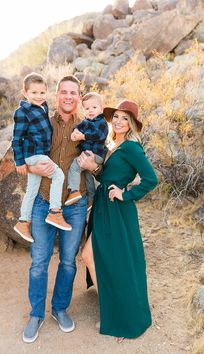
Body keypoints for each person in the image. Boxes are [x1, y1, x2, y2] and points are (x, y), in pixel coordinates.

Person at [22, 75, 95, 343]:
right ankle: (36, 313)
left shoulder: (90, 126)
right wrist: (29, 166)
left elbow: (100, 161)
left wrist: (95, 167)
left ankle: (60, 309)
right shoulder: (42, 122)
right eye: (63, 91)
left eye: (73, 92)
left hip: (74, 206)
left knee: (67, 261)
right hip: (43, 202)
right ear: (56, 95)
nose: (68, 96)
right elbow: (23, 153)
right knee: (39, 262)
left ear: (79, 96)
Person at [79, 99, 158, 341]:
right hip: (104, 206)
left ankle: (116, 313)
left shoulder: (133, 147)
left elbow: (150, 179)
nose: (119, 121)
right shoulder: (114, 144)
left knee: (106, 258)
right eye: (117, 117)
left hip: (117, 209)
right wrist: (93, 168)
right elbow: (109, 175)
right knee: (95, 256)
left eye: (126, 118)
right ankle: (111, 305)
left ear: (132, 123)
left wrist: (125, 193)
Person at [12, 72, 72, 244]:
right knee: (58, 175)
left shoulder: (43, 106)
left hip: (41, 153)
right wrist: (20, 161)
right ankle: (54, 212)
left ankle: (23, 222)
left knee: (32, 189)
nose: (38, 96)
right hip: (34, 154)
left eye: (42, 92)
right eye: (34, 93)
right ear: (25, 92)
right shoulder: (22, 112)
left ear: (46, 92)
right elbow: (17, 138)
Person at [65, 92, 108, 208]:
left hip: (95, 154)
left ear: (101, 108)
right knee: (88, 176)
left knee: (75, 166)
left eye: (94, 107)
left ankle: (74, 191)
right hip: (90, 154)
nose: (91, 111)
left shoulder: (101, 122)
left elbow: (99, 135)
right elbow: (79, 127)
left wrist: (83, 137)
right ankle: (91, 199)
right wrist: (75, 132)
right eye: (87, 108)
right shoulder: (87, 121)